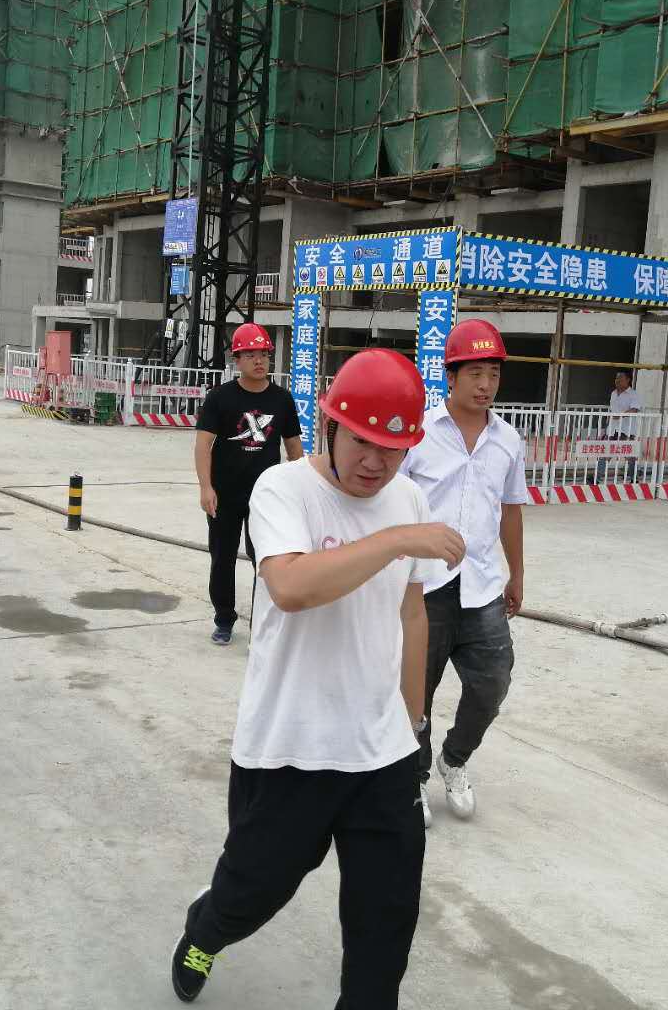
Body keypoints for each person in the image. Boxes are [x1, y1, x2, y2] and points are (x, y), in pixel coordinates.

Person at [171, 348, 465, 1008]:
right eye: (362, 441)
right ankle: (206, 928)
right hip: (290, 747)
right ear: (330, 425)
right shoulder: (284, 489)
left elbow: (411, 612)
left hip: (381, 751)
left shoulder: (408, 497)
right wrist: (397, 539)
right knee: (255, 892)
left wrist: (414, 721)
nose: (375, 463)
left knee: (385, 921)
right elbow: (292, 586)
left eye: (393, 449)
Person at [399, 319, 528, 828]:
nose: (485, 384)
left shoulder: (508, 440)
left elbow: (511, 509)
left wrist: (517, 574)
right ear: (450, 377)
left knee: (493, 682)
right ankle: (412, 777)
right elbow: (390, 501)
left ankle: (453, 759)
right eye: (475, 373)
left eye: (493, 374)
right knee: (416, 689)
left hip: (482, 586)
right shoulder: (420, 433)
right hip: (423, 585)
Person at [194, 322, 303, 645]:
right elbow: (203, 445)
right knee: (222, 559)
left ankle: (262, 625)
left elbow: (294, 448)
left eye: (264, 355)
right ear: (237, 360)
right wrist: (206, 487)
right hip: (224, 494)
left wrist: (299, 489)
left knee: (267, 562)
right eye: (251, 355)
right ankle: (223, 619)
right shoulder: (220, 398)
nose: (259, 361)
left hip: (266, 497)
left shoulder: (282, 400)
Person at [599, 368, 643, 482]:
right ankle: (596, 477)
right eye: (616, 378)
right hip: (612, 429)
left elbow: (634, 410)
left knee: (630, 455)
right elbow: (611, 411)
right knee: (605, 452)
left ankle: (634, 478)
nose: (617, 380)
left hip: (626, 430)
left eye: (620, 378)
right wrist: (605, 428)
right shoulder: (613, 393)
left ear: (628, 380)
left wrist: (620, 416)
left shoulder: (633, 394)